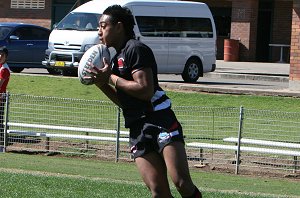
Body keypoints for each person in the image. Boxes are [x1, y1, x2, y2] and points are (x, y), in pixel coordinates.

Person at [86, 5, 202, 198]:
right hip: (137, 127)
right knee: (158, 192)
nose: (99, 31)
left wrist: (110, 79)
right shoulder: (114, 60)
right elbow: (126, 102)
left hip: (160, 120)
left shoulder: (136, 49)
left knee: (181, 182)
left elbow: (145, 91)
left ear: (119, 27)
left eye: (103, 26)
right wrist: (101, 84)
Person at [0, 46, 10, 149]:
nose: (0, 56)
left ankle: (1, 143)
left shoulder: (4, 69)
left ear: (6, 57)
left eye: (2, 55)